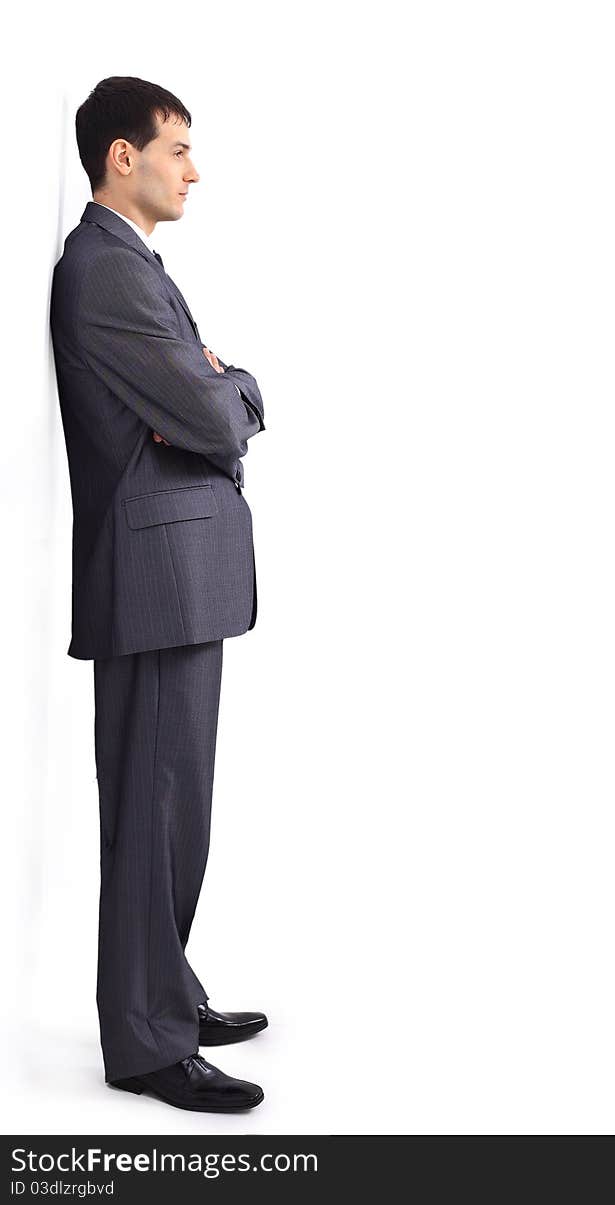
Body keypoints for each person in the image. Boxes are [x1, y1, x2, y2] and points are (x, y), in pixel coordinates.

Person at [50, 76, 268, 1113]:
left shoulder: (130, 266)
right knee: (155, 807)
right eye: (175, 148)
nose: (192, 168)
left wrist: (211, 387)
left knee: (175, 809)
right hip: (153, 573)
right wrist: (235, 387)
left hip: (177, 571)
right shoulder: (103, 272)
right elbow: (216, 416)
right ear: (120, 157)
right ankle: (144, 1040)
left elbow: (196, 403)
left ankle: (165, 992)